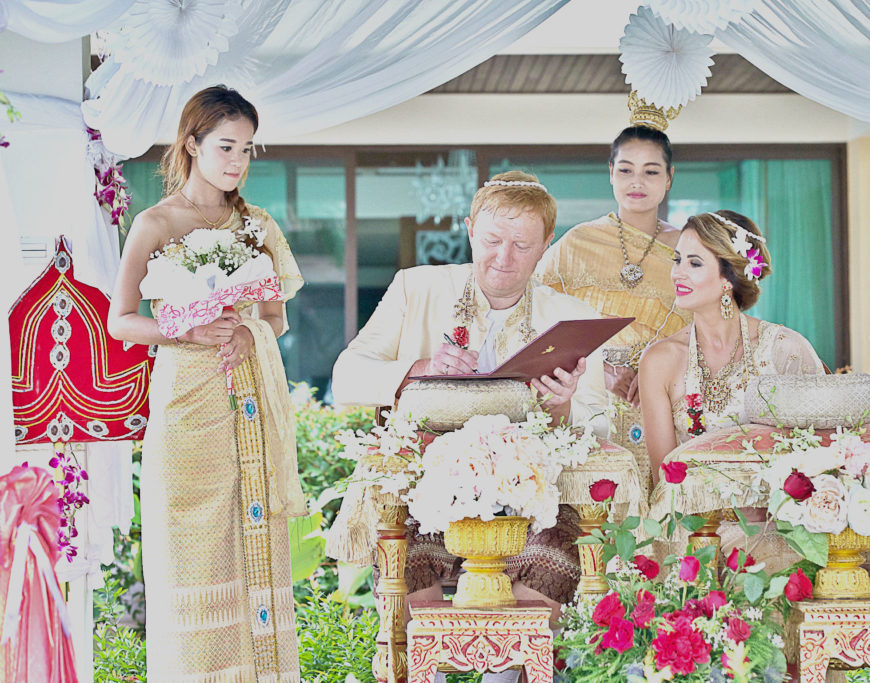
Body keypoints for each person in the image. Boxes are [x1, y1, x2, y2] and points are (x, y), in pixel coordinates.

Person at [330, 171, 608, 635]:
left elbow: (599, 429)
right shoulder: (414, 288)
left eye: (522, 245)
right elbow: (346, 377)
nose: (504, 258)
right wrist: (420, 369)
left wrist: (561, 406)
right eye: (492, 240)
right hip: (426, 488)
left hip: (532, 495)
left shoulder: (573, 316)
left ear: (546, 244)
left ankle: (509, 671)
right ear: (469, 230)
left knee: (556, 553)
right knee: (408, 556)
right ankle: (429, 670)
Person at [108, 86, 303, 682]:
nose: (237, 161)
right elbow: (120, 321)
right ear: (191, 144)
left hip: (246, 399)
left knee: (252, 543)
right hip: (186, 411)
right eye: (225, 146)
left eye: (247, 148)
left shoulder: (256, 225)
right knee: (192, 558)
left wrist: (251, 334)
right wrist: (186, 329)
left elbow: (275, 318)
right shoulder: (155, 222)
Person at [537, 125, 689, 492]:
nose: (637, 181)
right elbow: (538, 318)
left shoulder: (687, 249)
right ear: (610, 172)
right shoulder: (578, 243)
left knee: (666, 505)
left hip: (667, 402)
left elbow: (706, 326)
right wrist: (597, 372)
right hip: (590, 403)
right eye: (626, 169)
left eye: (651, 171)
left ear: (669, 178)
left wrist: (656, 374)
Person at [640, 210, 824, 475]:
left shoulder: (786, 350)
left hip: (777, 513)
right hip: (693, 513)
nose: (677, 274)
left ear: (729, 276)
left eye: (694, 263)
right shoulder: (659, 360)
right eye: (677, 260)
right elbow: (665, 479)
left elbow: (819, 456)